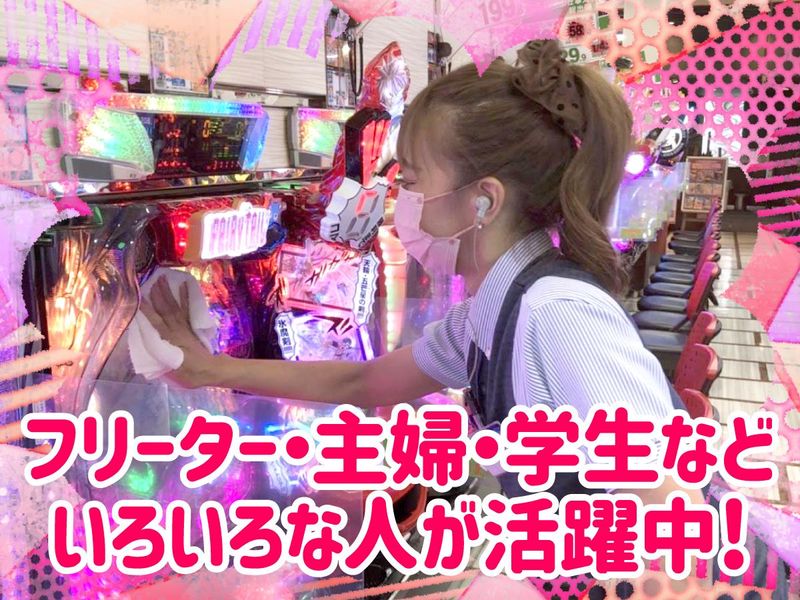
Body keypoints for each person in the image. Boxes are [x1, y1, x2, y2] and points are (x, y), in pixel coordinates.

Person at [143, 40, 703, 593]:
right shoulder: (491, 312)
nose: (398, 201)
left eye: (410, 182)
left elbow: (674, 514)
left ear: (484, 201)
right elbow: (363, 382)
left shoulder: (556, 314)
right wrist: (210, 370)